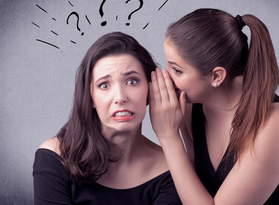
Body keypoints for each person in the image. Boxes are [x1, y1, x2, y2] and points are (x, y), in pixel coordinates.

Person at [149, 8, 279, 204]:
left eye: (177, 70)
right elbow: (193, 191)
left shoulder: (276, 125)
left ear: (217, 76)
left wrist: (168, 137)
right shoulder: (191, 109)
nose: (166, 77)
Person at [33, 32, 182, 205]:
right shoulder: (54, 157)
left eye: (132, 81)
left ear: (151, 88)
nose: (120, 97)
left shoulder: (173, 169)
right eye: (104, 85)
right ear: (90, 97)